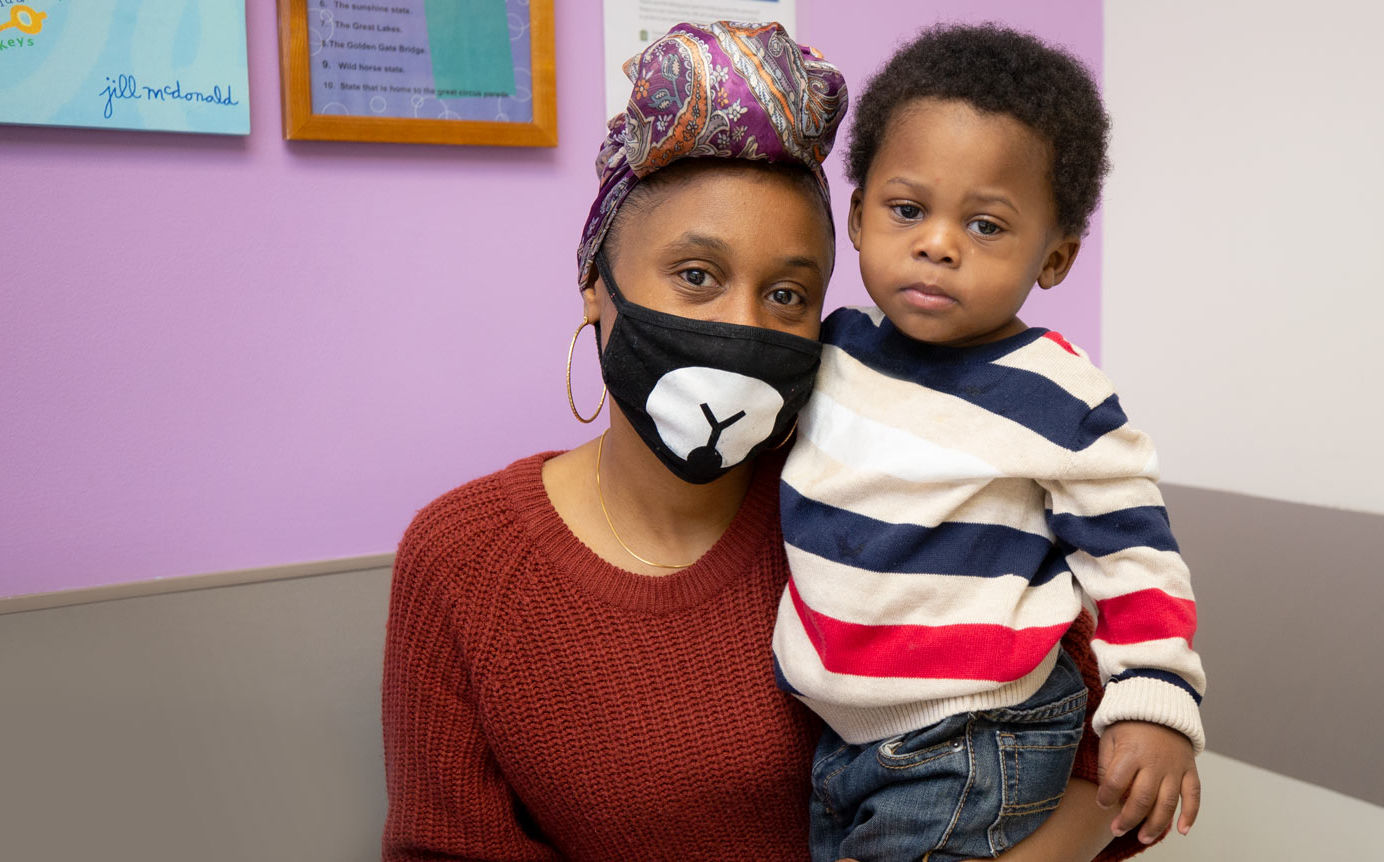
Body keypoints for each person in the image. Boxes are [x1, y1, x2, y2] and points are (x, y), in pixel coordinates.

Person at [382, 21, 1148, 862]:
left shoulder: (890, 486)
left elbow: (1098, 777)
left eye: (787, 293)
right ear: (596, 284)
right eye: (697, 276)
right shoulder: (462, 561)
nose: (745, 328)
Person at [772, 25, 1207, 862]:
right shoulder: (829, 352)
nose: (938, 243)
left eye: (986, 224)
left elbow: (1136, 559)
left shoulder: (1059, 396)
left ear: (1056, 258)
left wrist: (1154, 702)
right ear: (857, 218)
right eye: (908, 210)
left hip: (977, 732)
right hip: (841, 737)